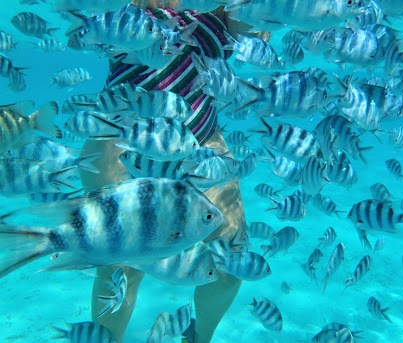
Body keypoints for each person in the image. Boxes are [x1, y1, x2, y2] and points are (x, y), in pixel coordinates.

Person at [79, 1, 268, 342]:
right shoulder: (127, 16)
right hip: (125, 146)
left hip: (201, 146)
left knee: (230, 262)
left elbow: (266, 21)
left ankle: (199, 337)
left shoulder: (220, 14)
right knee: (121, 266)